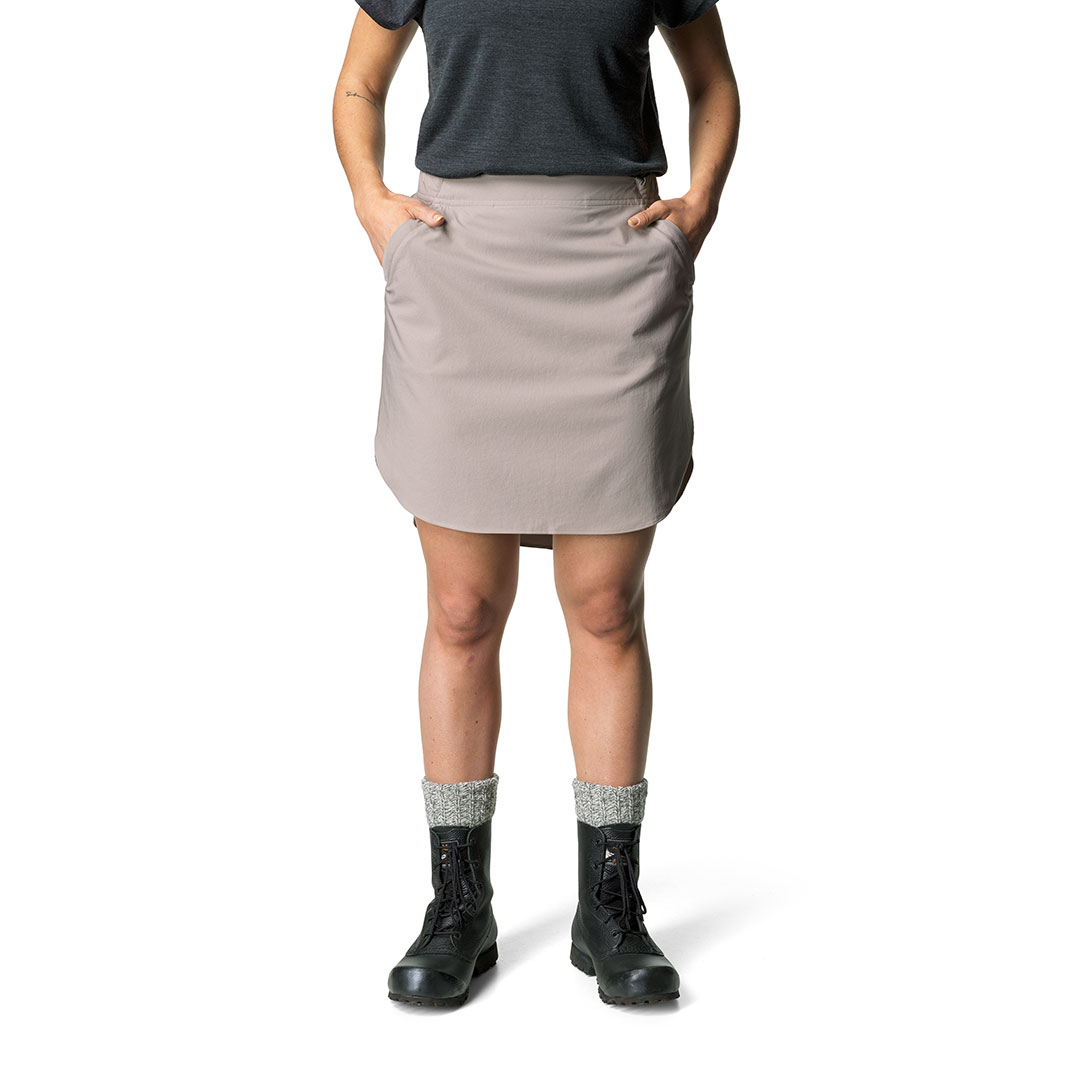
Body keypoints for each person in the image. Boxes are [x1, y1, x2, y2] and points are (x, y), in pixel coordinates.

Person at [332, 0, 739, 1007]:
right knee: (462, 608)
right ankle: (457, 906)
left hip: (611, 259)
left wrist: (697, 208)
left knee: (607, 606)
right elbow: (358, 86)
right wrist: (374, 207)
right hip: (460, 260)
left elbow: (714, 84)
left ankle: (610, 908)